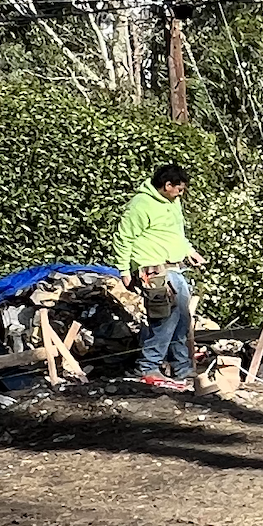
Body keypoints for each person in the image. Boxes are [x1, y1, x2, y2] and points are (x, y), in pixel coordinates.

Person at [112, 162, 206, 389]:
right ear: (166, 185)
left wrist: (189, 251)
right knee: (165, 316)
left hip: (175, 267)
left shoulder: (174, 203)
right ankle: (148, 366)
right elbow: (123, 238)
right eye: (179, 189)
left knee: (183, 318)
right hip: (152, 268)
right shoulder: (140, 205)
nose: (181, 194)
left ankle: (182, 367)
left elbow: (175, 232)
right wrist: (124, 270)